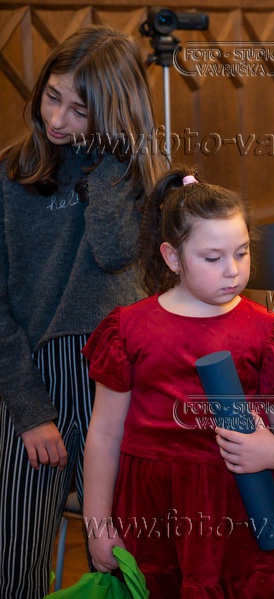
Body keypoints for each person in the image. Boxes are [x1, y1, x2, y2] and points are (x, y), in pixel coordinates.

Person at [81, 171, 274, 597]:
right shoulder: (129, 329)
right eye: (213, 258)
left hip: (235, 503)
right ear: (172, 257)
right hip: (151, 510)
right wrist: (97, 524)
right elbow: (103, 434)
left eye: (242, 253)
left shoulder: (267, 330)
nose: (232, 270)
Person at [0, 25, 164, 599]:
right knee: (14, 561)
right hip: (33, 378)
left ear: (114, 115)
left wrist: (110, 159)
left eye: (80, 110)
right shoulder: (11, 174)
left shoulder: (135, 177)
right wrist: (30, 411)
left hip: (120, 379)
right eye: (52, 96)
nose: (57, 119)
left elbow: (115, 250)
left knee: (124, 555)